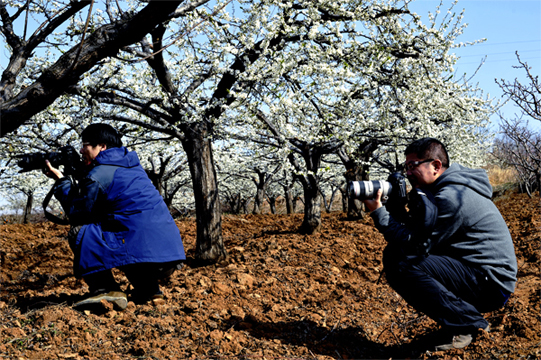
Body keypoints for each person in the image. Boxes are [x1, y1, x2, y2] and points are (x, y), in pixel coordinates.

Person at [363, 138, 517, 351]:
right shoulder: (444, 191)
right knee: (399, 256)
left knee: (400, 260)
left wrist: (378, 212)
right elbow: (418, 231)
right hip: (481, 274)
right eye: (406, 167)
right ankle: (462, 319)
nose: (408, 173)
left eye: (412, 166)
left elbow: (415, 244)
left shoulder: (450, 197)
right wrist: (396, 208)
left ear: (435, 166)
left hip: (491, 285)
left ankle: (468, 324)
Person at [44, 123, 186, 311]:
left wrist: (62, 182)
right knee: (121, 234)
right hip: (169, 254)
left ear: (102, 146)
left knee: (80, 233)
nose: (80, 149)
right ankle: (150, 291)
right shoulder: (132, 166)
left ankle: (106, 290)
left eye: (85, 144)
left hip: (145, 252)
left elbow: (77, 213)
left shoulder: (98, 174)